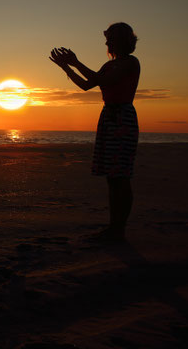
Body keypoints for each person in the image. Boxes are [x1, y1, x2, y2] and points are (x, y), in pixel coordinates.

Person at [50, 22, 140, 241]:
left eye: (110, 38)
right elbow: (86, 85)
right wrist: (66, 67)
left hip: (122, 118)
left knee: (120, 175)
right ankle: (114, 227)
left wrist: (76, 61)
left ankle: (119, 229)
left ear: (121, 40)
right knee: (112, 176)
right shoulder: (110, 65)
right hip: (109, 117)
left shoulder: (130, 62)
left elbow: (102, 81)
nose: (107, 43)